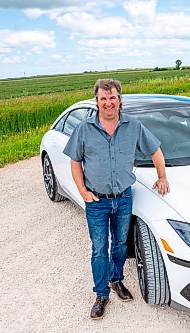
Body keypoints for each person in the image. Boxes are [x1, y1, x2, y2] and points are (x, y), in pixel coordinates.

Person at [63, 79, 170, 319]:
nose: (108, 103)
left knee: (121, 245)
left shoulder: (134, 126)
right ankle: (101, 294)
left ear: (119, 100)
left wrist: (162, 176)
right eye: (103, 99)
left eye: (112, 98)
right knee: (100, 249)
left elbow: (155, 150)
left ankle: (116, 280)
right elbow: (75, 161)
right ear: (97, 101)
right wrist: (82, 191)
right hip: (96, 202)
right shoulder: (84, 129)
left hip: (123, 198)